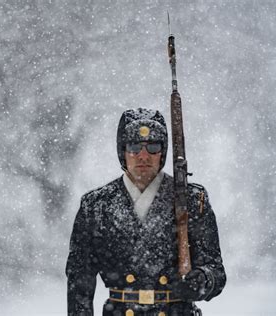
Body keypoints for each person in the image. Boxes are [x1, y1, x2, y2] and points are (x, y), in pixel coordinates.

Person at [66, 108, 226, 315]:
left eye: (153, 146)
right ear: (122, 151)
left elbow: (216, 272)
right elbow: (79, 282)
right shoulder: (96, 205)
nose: (143, 155)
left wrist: (203, 280)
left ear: (163, 152)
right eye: (134, 146)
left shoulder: (192, 200)